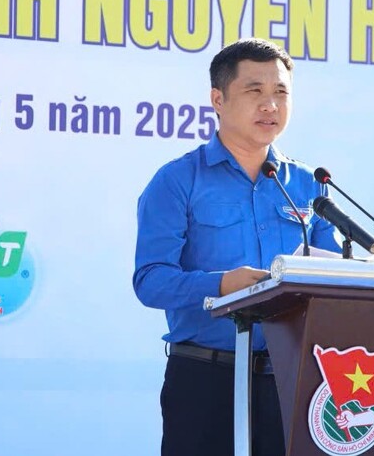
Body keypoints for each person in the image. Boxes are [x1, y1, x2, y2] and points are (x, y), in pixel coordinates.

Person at [133, 38, 341, 456]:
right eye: (255, 90)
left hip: (293, 382)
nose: (270, 105)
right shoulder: (178, 181)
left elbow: (334, 274)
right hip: (206, 379)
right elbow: (150, 281)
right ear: (218, 99)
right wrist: (222, 285)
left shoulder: (309, 185)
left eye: (281, 92)